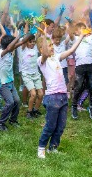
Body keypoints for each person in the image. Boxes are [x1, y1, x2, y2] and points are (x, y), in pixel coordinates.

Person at [36, 24, 88, 158]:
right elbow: (46, 53)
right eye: (49, 46)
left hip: (63, 96)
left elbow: (70, 51)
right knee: (50, 125)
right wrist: (45, 35)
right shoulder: (42, 61)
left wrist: (81, 36)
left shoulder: (57, 58)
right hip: (52, 98)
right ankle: (41, 148)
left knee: (61, 126)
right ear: (41, 49)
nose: (52, 48)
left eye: (52, 46)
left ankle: (53, 147)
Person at [0, 24, 30, 131]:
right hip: (2, 83)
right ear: (7, 45)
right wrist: (18, 36)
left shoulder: (10, 51)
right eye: (12, 43)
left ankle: (13, 120)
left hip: (10, 82)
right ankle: (0, 123)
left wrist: (28, 33)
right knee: (10, 102)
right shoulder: (0, 53)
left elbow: (23, 42)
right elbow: (11, 46)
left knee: (17, 101)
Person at [71, 17, 92, 120]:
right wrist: (71, 22)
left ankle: (91, 106)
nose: (84, 29)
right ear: (77, 31)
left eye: (85, 28)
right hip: (80, 66)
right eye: (81, 28)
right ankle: (74, 106)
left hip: (90, 66)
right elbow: (70, 32)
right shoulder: (75, 39)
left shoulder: (90, 38)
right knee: (78, 87)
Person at [19, 34, 44, 119]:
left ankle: (35, 110)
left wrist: (40, 25)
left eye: (34, 42)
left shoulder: (35, 49)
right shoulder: (23, 49)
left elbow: (38, 34)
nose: (33, 43)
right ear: (26, 42)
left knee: (41, 94)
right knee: (33, 94)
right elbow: (23, 41)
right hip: (27, 75)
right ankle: (29, 112)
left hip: (36, 74)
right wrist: (29, 34)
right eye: (30, 42)